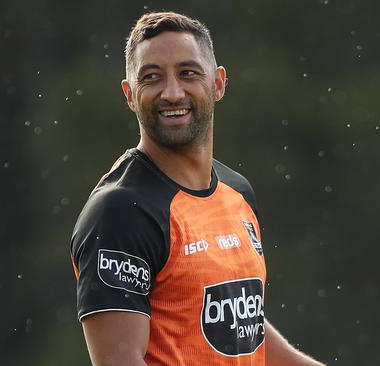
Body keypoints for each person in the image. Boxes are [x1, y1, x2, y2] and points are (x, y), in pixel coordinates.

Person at [70, 11, 325, 366]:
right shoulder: (120, 212)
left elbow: (242, 331)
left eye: (188, 73)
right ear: (129, 94)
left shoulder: (237, 193)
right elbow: (119, 360)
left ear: (218, 83)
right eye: (152, 77)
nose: (172, 93)